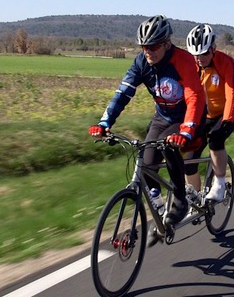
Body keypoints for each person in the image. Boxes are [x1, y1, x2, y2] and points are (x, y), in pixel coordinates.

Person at [88, 15, 206, 227]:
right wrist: (105, 123)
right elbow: (123, 93)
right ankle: (158, 203)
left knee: (168, 146)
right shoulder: (142, 62)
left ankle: (180, 199)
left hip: (185, 116)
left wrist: (186, 131)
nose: (148, 52)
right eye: (144, 47)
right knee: (147, 161)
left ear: (166, 43)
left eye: (153, 47)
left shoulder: (183, 61)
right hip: (162, 116)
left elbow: (194, 96)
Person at [183, 24, 234, 202]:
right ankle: (195, 199)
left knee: (216, 139)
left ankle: (220, 184)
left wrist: (227, 120)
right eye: (195, 55)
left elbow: (232, 94)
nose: (200, 58)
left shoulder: (226, 62)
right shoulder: (190, 65)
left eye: (204, 54)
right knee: (189, 158)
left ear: (213, 49)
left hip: (227, 111)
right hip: (204, 115)